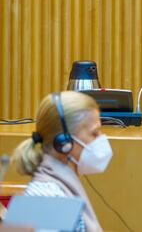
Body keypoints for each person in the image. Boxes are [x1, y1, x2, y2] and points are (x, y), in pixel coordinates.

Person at [11, 91, 112, 232]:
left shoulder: (58, 187)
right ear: (64, 142)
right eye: (94, 133)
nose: (101, 139)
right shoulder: (46, 200)